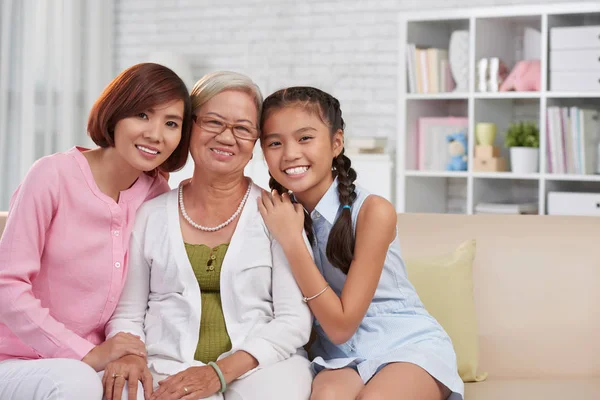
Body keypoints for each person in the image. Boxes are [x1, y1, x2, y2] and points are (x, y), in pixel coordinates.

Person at [103, 71, 313, 400]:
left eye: (242, 128)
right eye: (213, 122)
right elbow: (127, 313)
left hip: (263, 368)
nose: (227, 138)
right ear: (190, 128)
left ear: (255, 140)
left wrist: (218, 373)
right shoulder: (150, 214)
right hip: (167, 367)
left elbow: (294, 321)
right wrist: (130, 353)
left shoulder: (276, 213)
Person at [0, 62, 193, 400]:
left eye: (171, 123)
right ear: (116, 113)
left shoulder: (158, 197)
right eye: (143, 115)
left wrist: (132, 351)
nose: (156, 134)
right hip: (16, 359)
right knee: (76, 382)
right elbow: (7, 284)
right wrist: (84, 354)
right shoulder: (52, 175)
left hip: (100, 361)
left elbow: (149, 298)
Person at [257, 86, 465, 400]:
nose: (289, 154)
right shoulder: (275, 213)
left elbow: (342, 325)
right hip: (338, 357)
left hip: (405, 346)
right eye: (275, 142)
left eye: (305, 138)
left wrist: (291, 241)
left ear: (336, 142)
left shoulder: (373, 212)